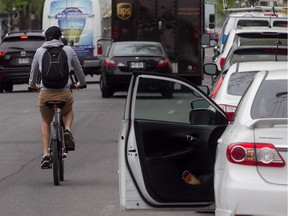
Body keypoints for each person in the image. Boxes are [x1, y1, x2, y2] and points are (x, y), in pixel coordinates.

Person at [29, 26, 86, 169]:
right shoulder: (68, 50)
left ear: (45, 39)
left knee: (46, 121)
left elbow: (33, 73)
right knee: (68, 111)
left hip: (45, 93)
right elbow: (78, 69)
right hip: (64, 93)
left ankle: (46, 154)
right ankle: (67, 129)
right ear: (60, 37)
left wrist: (33, 85)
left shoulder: (40, 52)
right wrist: (81, 83)